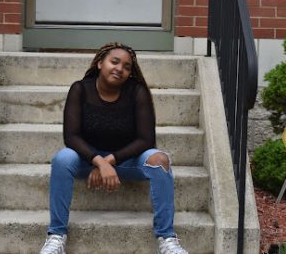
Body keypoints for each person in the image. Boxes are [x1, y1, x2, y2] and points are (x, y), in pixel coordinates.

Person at [39, 42, 188, 254]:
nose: (120, 68)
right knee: (63, 159)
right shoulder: (80, 89)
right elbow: (71, 137)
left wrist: (110, 161)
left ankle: (167, 239)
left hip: (125, 162)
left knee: (159, 160)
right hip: (86, 161)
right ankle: (56, 236)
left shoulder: (137, 92)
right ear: (100, 63)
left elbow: (146, 140)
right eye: (114, 61)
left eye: (127, 66)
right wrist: (98, 162)